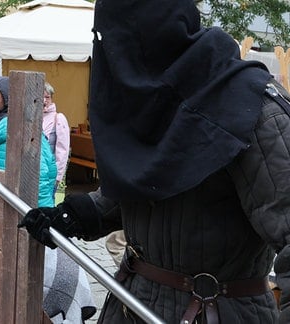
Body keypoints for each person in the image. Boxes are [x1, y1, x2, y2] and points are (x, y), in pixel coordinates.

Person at [18, 0, 289, 323]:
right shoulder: (154, 103)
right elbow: (155, 181)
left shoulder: (252, 108)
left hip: (216, 309)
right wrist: (77, 214)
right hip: (132, 302)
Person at [0, 117, 97, 323]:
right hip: (30, 209)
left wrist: (64, 215)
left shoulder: (4, 127)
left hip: (28, 210)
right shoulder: (28, 137)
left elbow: (57, 156)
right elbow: (45, 174)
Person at [42, 82, 70, 195]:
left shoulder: (58, 118)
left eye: (47, 97)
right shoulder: (32, 116)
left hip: (50, 173)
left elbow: (62, 150)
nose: (44, 100)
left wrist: (58, 177)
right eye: (41, 97)